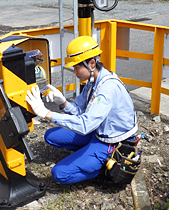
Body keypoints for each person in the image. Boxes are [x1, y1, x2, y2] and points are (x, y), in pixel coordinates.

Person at [26, 36, 137, 184]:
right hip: (97, 131)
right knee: (51, 135)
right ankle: (89, 154)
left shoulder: (107, 89)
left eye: (77, 67)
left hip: (112, 142)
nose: (75, 71)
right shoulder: (93, 81)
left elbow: (85, 125)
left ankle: (102, 168)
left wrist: (47, 114)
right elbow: (79, 112)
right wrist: (63, 102)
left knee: (59, 174)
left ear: (91, 63)